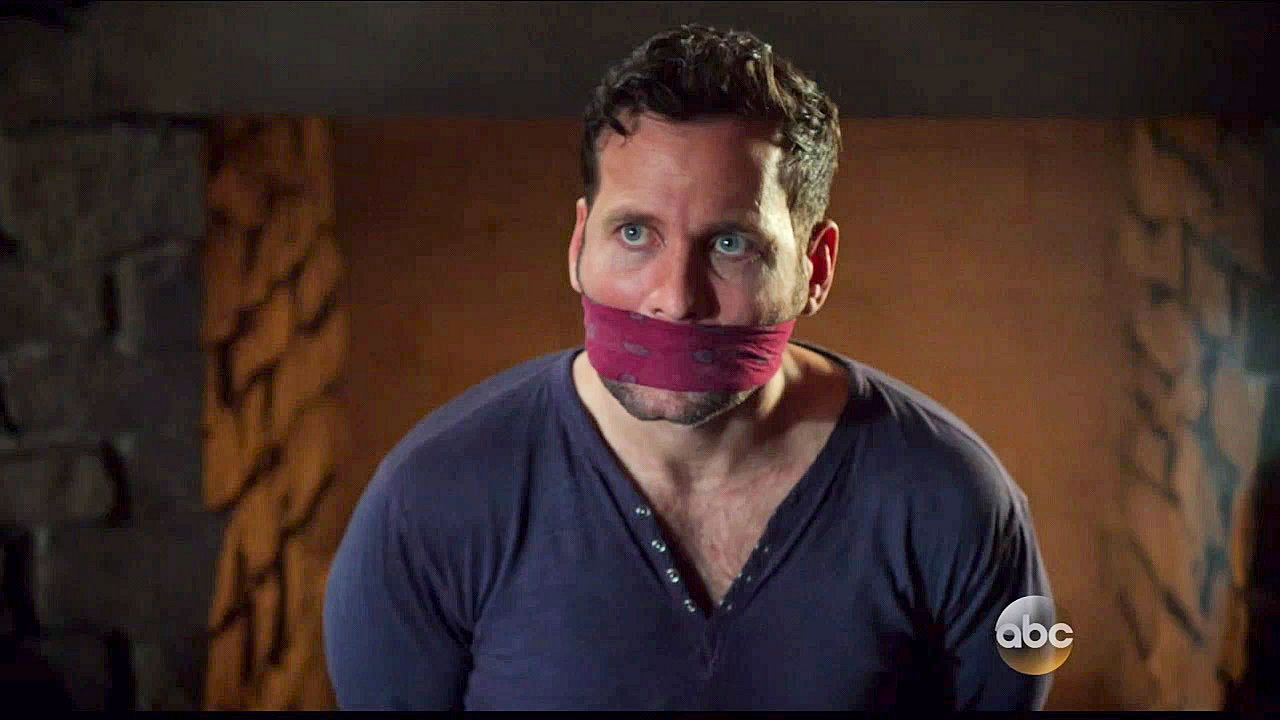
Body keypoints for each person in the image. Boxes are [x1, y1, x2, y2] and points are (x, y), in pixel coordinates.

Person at [323, 23, 1055, 710]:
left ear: (816, 266)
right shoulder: (426, 502)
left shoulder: (958, 499)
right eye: (634, 233)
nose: (674, 299)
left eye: (732, 244)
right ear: (579, 245)